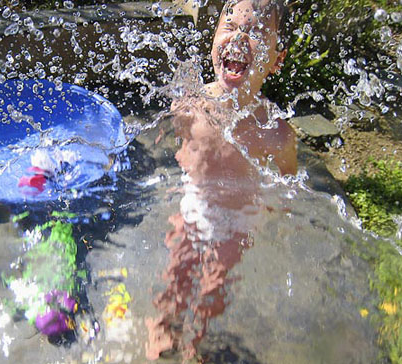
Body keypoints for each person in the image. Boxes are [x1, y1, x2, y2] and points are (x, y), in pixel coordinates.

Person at [145, 0, 297, 361]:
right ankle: (161, 334)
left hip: (238, 223)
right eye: (229, 26)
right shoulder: (193, 106)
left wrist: (278, 216)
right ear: (213, 40)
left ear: (277, 60)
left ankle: (195, 345)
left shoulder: (276, 134)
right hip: (195, 207)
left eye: (258, 31)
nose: (240, 38)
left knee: (212, 291)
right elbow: (172, 142)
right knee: (176, 277)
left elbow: (289, 185)